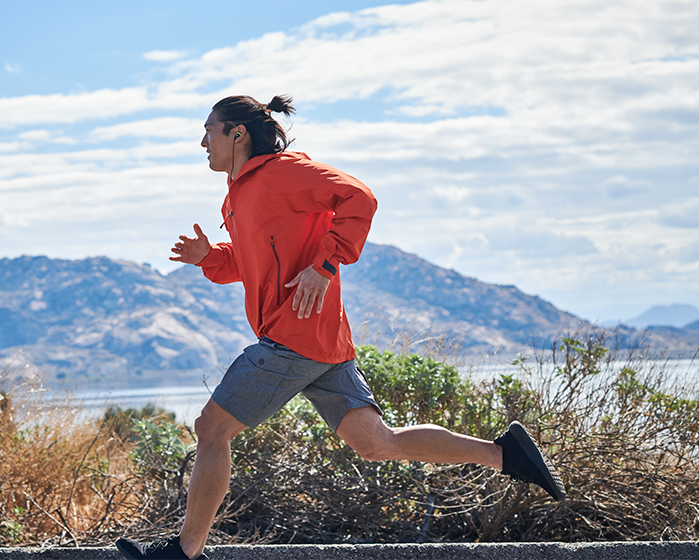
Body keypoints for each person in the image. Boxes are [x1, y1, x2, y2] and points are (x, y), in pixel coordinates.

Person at [115, 95, 565, 560]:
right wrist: (209, 256)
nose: (200, 141)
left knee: (211, 429)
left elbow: (360, 197)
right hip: (322, 343)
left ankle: (184, 553)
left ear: (237, 134)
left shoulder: (285, 173)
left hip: (293, 338)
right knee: (377, 443)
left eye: (208, 130)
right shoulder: (238, 194)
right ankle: (506, 454)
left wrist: (326, 264)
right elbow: (251, 263)